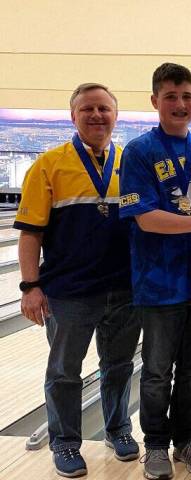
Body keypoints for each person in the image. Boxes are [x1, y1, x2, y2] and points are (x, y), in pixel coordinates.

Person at [15, 83, 141, 477]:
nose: (96, 115)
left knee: (119, 365)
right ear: (74, 116)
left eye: (104, 108)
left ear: (115, 116)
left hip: (124, 288)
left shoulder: (130, 162)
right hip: (69, 292)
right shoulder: (49, 165)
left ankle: (118, 429)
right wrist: (30, 287)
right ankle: (65, 442)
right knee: (64, 371)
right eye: (87, 108)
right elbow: (30, 233)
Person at [119, 63, 191, 480]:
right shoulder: (138, 151)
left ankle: (187, 439)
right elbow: (145, 218)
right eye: (170, 96)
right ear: (155, 101)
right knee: (156, 371)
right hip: (159, 282)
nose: (180, 104)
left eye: (186, 96)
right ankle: (154, 445)